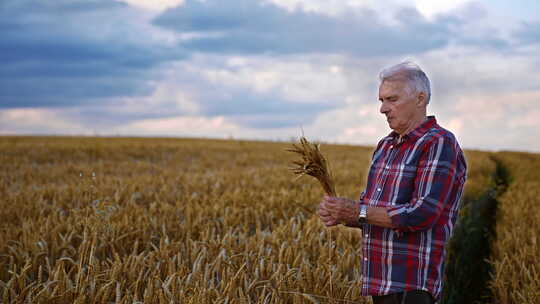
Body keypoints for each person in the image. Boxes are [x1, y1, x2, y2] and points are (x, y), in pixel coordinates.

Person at [318, 61, 467, 304]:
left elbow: (423, 214)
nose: (383, 109)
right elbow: (374, 213)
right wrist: (344, 214)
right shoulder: (385, 146)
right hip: (380, 282)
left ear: (420, 99)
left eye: (392, 99)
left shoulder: (438, 143)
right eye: (381, 100)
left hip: (411, 285)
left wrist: (358, 211)